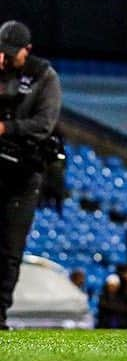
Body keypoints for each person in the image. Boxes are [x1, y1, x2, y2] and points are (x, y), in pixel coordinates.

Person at [0, 20, 62, 330]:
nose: (8, 58)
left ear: (28, 50)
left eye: (13, 53)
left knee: (10, 250)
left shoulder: (44, 77)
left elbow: (44, 124)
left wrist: (7, 129)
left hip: (23, 175)